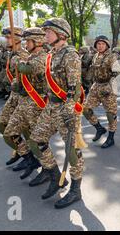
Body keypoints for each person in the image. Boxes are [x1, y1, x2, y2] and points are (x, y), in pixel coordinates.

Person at [27, 18, 86, 209]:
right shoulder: (52, 53)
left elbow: (75, 87)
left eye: (48, 32)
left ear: (60, 34)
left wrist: (70, 110)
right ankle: (54, 175)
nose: (45, 35)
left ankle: (76, 189)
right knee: (36, 141)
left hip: (65, 108)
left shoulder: (70, 55)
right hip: (51, 107)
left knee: (72, 151)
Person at [2, 27, 47, 181]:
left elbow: (28, 69)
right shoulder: (23, 55)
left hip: (35, 101)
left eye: (28, 40)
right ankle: (29, 158)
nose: (6, 40)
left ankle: (48, 169)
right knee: (9, 132)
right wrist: (16, 82)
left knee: (37, 139)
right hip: (24, 99)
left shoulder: (35, 57)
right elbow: (20, 77)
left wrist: (19, 63)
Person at [0, 27, 30, 167]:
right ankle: (23, 152)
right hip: (14, 95)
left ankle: (31, 158)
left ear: (17, 38)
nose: (6, 40)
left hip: (25, 97)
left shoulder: (23, 55)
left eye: (9, 38)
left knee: (27, 131)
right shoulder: (12, 54)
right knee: (2, 124)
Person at [83, 35, 120, 149]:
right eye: (98, 44)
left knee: (110, 114)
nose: (100, 46)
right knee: (86, 109)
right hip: (96, 86)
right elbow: (92, 71)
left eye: (103, 44)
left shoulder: (111, 57)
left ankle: (111, 138)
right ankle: (99, 128)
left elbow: (117, 73)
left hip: (108, 87)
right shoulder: (95, 56)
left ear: (107, 45)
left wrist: (109, 87)